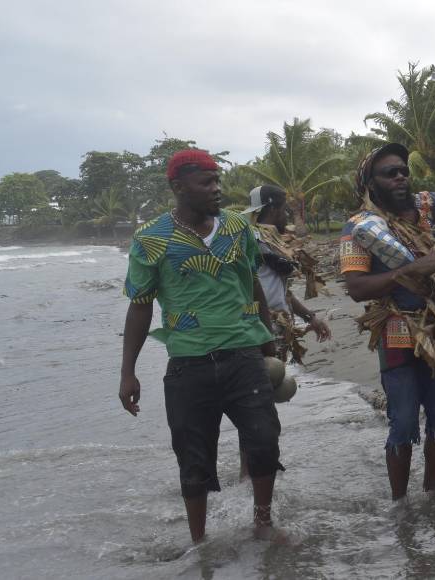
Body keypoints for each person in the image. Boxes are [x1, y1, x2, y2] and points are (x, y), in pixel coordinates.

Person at [119, 149, 286, 543]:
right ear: (178, 187)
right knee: (193, 461)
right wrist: (128, 372)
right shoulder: (150, 239)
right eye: (206, 183)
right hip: (188, 365)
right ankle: (199, 543)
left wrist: (269, 345)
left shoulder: (236, 228)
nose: (217, 190)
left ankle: (262, 524)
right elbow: (140, 306)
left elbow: (253, 283)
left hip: (244, 355)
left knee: (264, 441)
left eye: (218, 181)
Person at [340, 143, 435, 500]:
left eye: (403, 170)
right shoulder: (358, 229)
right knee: (405, 423)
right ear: (371, 183)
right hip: (396, 330)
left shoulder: (427, 205)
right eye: (389, 173)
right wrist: (412, 269)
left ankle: (431, 495)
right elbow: (356, 288)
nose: (400, 177)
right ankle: (400, 506)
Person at [242, 184, 331, 363]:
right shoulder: (255, 237)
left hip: (276, 324)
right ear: (274, 209)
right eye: (284, 210)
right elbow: (283, 266)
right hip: (262, 327)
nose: (287, 216)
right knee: (271, 381)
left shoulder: (270, 240)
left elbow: (282, 292)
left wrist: (310, 317)